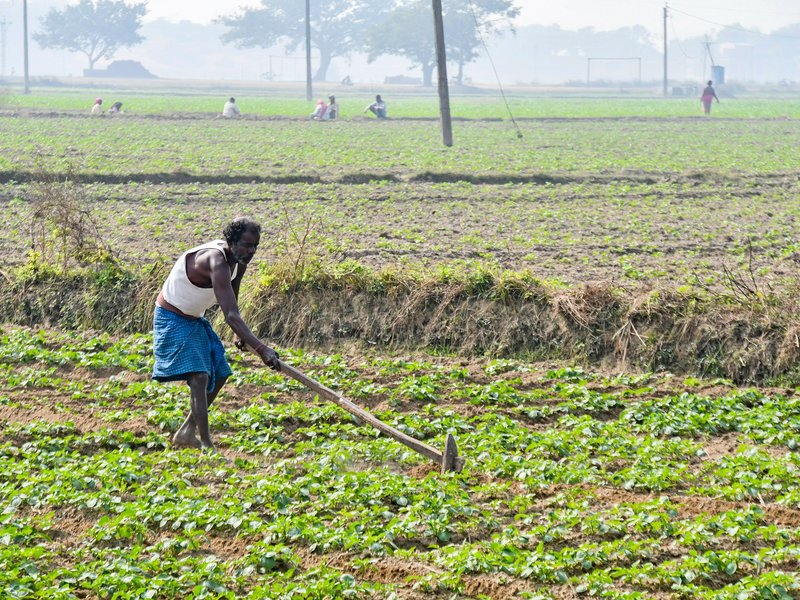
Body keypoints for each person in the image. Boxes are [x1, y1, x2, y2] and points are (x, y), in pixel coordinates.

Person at [152, 217, 281, 450]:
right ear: (230, 241)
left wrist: (242, 335)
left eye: (255, 246)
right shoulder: (215, 261)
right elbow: (230, 315)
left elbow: (233, 301)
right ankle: (206, 444)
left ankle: (187, 431)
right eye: (246, 244)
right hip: (171, 316)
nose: (251, 251)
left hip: (193, 318)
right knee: (199, 377)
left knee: (220, 372)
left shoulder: (239, 261)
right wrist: (261, 349)